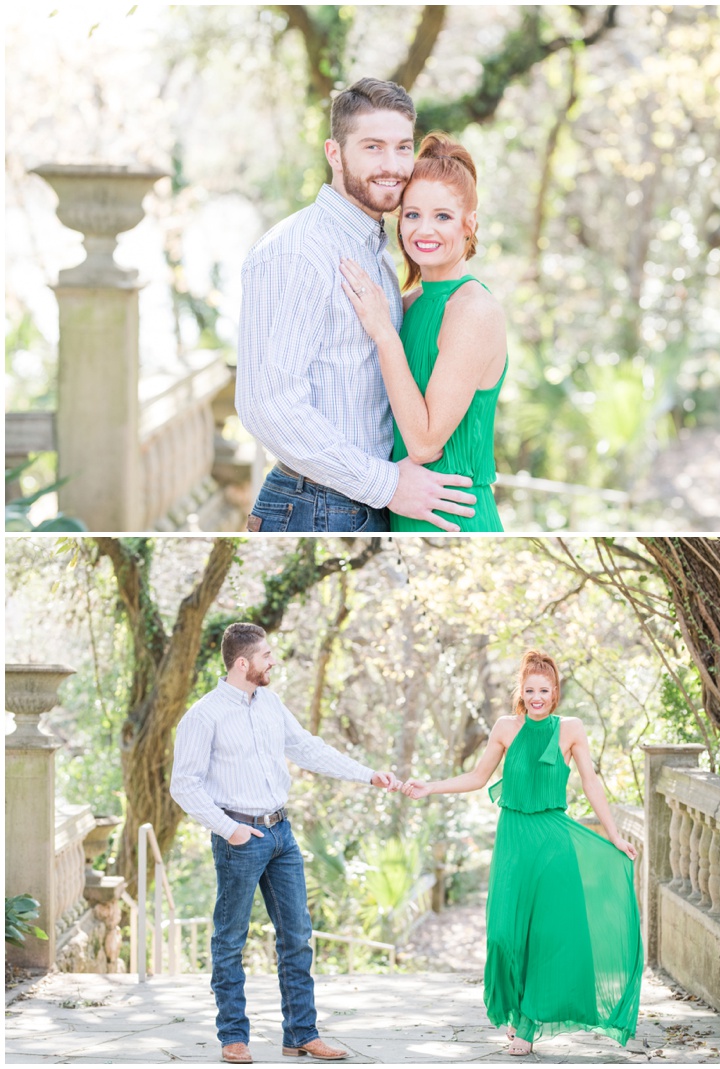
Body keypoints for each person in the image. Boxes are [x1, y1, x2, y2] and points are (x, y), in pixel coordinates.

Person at [236, 77, 476, 533]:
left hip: (361, 504)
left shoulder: (379, 257)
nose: (393, 166)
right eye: (372, 147)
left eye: (403, 148)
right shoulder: (298, 252)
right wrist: (387, 485)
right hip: (317, 508)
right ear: (334, 153)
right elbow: (267, 404)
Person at [170, 622, 401, 1064]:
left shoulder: (271, 703)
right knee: (230, 940)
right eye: (266, 656)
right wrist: (228, 828)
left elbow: (308, 748)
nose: (273, 661)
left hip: (282, 835)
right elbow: (184, 784)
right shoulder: (204, 715)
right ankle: (233, 1037)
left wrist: (367, 775)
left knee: (297, 936)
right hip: (240, 837)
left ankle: (301, 1034)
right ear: (243, 663)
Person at [401, 649, 643, 1055]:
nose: (536, 697)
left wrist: (615, 836)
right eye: (529, 689)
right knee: (502, 936)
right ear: (521, 691)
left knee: (545, 936)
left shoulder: (571, 729)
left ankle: (527, 1025)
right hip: (514, 839)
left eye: (544, 690)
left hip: (553, 843)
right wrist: (431, 786)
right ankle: (514, 1012)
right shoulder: (504, 728)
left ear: (555, 692)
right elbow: (478, 777)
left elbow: (591, 784)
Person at [339, 131, 507, 532]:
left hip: (455, 518)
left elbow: (425, 443)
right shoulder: (410, 303)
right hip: (404, 510)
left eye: (442, 216)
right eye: (412, 215)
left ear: (470, 224)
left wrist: (384, 333)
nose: (424, 230)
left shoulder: (474, 311)